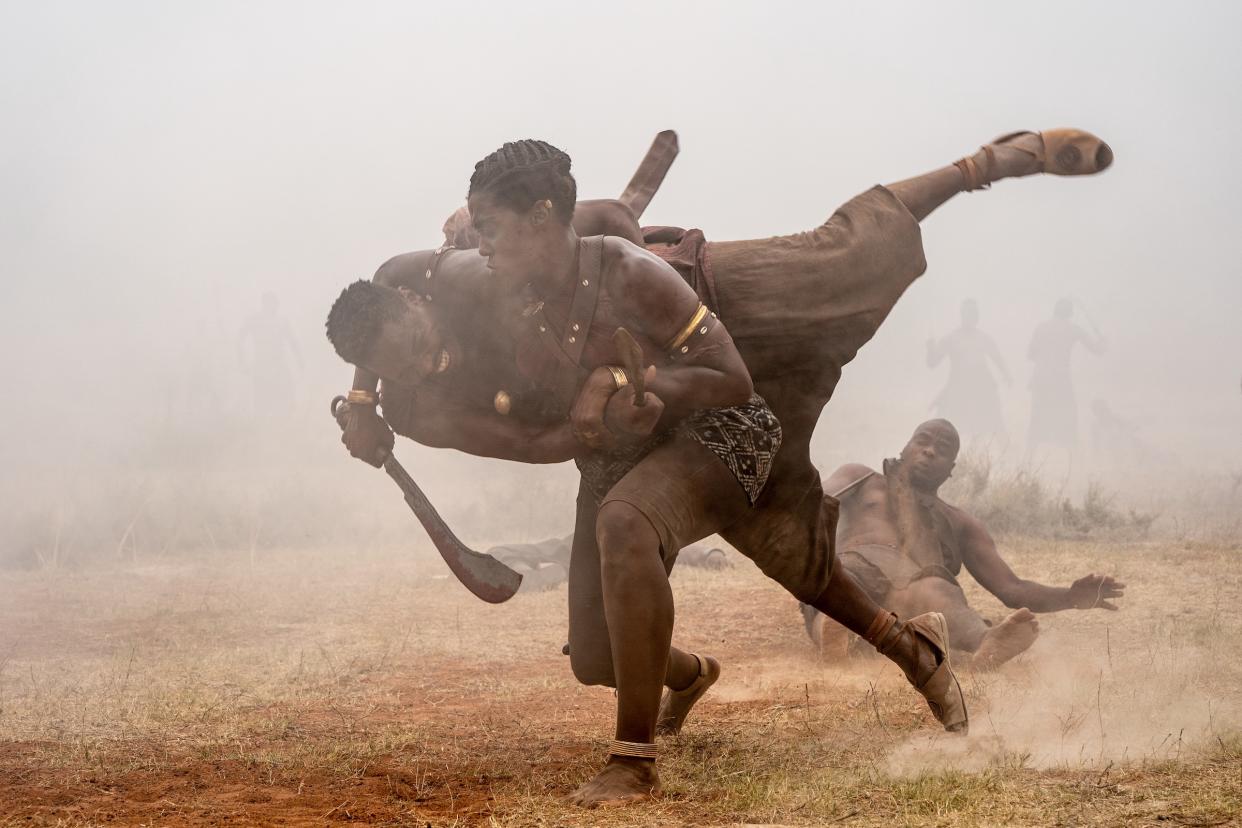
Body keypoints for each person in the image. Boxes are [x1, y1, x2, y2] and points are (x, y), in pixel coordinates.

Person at [327, 127, 1113, 805]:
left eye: (496, 230)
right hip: (630, 434)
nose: (420, 366)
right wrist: (367, 400)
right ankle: (854, 656)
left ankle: (987, 162)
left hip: (716, 367)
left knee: (840, 258)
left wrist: (642, 383)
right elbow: (495, 398)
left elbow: (721, 371)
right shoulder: (471, 308)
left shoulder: (595, 268)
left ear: (536, 220)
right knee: (675, 614)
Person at [801, 419, 1126, 668]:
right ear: (906, 446)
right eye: (923, 441)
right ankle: (833, 633)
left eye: (941, 449)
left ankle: (987, 641)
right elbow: (814, 499)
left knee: (941, 592)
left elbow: (1012, 588)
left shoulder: (959, 523)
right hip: (854, 567)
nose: (929, 451)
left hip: (913, 596)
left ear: (951, 469)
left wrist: (1070, 597)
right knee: (836, 582)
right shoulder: (862, 478)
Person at [1027, 297, 1106, 455]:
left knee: (1038, 416)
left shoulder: (1042, 327)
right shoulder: (1073, 329)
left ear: (1055, 310)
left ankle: (1029, 456)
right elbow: (1097, 350)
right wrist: (1104, 342)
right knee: (1068, 416)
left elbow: (1030, 354)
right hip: (1061, 380)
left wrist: (1044, 359)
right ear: (1069, 313)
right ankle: (1074, 456)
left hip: (1041, 379)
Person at [927, 298, 1010, 439]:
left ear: (977, 317)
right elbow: (933, 362)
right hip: (958, 388)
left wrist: (1007, 375)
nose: (970, 318)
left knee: (994, 424)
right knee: (944, 427)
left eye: (973, 315)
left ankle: (1000, 453)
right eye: (967, 314)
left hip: (983, 388)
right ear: (962, 316)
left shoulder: (983, 338)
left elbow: (997, 358)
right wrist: (930, 347)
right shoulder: (952, 338)